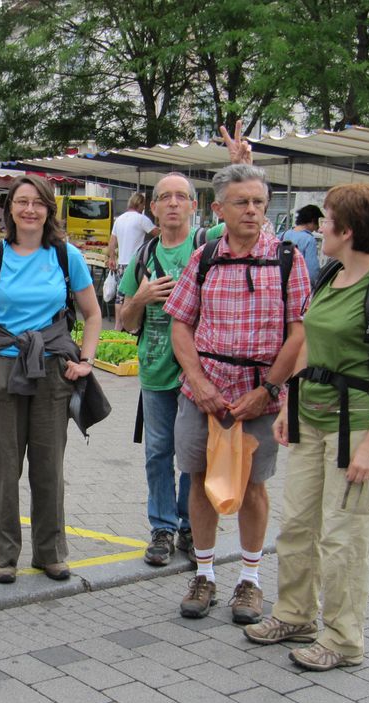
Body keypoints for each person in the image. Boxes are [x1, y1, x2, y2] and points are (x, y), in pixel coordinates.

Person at [245, 184, 369, 671]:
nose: (320, 227)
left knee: (344, 537)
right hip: (310, 418)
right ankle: (295, 615)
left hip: (356, 428)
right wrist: (286, 406)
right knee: (298, 525)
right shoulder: (329, 276)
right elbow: (306, 345)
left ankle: (343, 639)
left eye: (328, 220)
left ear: (347, 229)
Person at [165, 163, 310, 625]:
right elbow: (180, 323)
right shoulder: (204, 257)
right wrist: (201, 384)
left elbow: (299, 334)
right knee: (200, 481)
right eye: (242, 202)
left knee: (252, 487)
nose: (252, 211)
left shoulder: (288, 258)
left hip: (259, 397)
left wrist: (268, 390)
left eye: (259, 203)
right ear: (219, 208)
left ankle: (250, 580)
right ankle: (204, 573)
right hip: (202, 394)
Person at [0, 176, 102, 585]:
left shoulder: (64, 256)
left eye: (37, 202)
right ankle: (4, 556)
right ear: (10, 209)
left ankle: (50, 553)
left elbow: (92, 314)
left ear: (48, 209)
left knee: (48, 467)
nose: (29, 209)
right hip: (4, 368)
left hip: (54, 371)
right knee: (4, 466)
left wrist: (86, 360)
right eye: (21, 202)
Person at [118, 174, 214, 567]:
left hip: (201, 374)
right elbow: (123, 320)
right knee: (159, 453)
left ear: (194, 205)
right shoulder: (143, 255)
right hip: (156, 372)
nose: (173, 203)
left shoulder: (208, 245)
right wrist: (140, 297)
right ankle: (162, 527)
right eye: (164, 198)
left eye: (181, 197)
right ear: (152, 208)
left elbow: (251, 210)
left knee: (194, 454)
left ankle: (190, 523)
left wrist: (241, 163)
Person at [107, 193, 159, 332]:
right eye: (143, 205)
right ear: (140, 204)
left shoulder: (119, 219)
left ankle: (118, 324)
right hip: (135, 263)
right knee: (132, 295)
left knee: (120, 295)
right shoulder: (142, 219)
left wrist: (112, 258)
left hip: (121, 262)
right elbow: (158, 234)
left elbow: (112, 242)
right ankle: (130, 325)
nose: (144, 207)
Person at [281, 204, 323, 286]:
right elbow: (312, 270)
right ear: (313, 220)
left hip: (281, 283)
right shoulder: (309, 239)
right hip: (299, 285)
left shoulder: (282, 235)